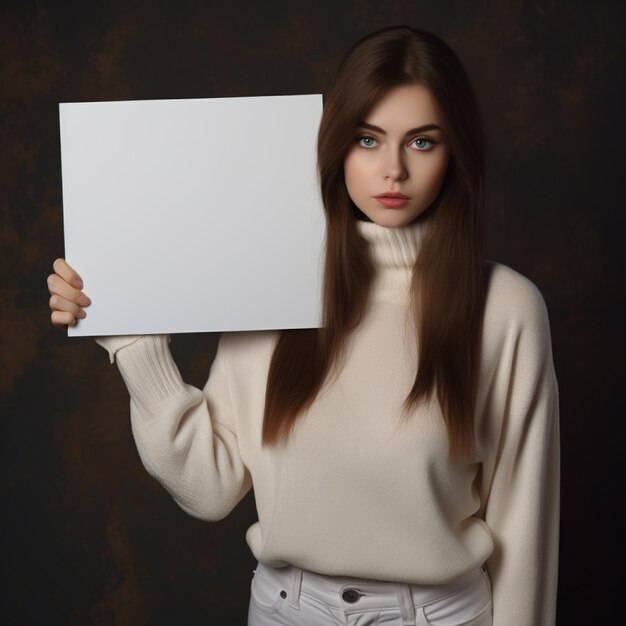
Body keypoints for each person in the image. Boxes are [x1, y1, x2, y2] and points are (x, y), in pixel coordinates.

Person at [47, 25, 560, 626]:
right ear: (337, 145)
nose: (392, 169)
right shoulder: (274, 288)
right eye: (368, 139)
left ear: (455, 154)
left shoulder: (506, 309)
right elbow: (209, 487)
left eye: (422, 143)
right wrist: (132, 337)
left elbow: (524, 531)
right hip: (286, 611)